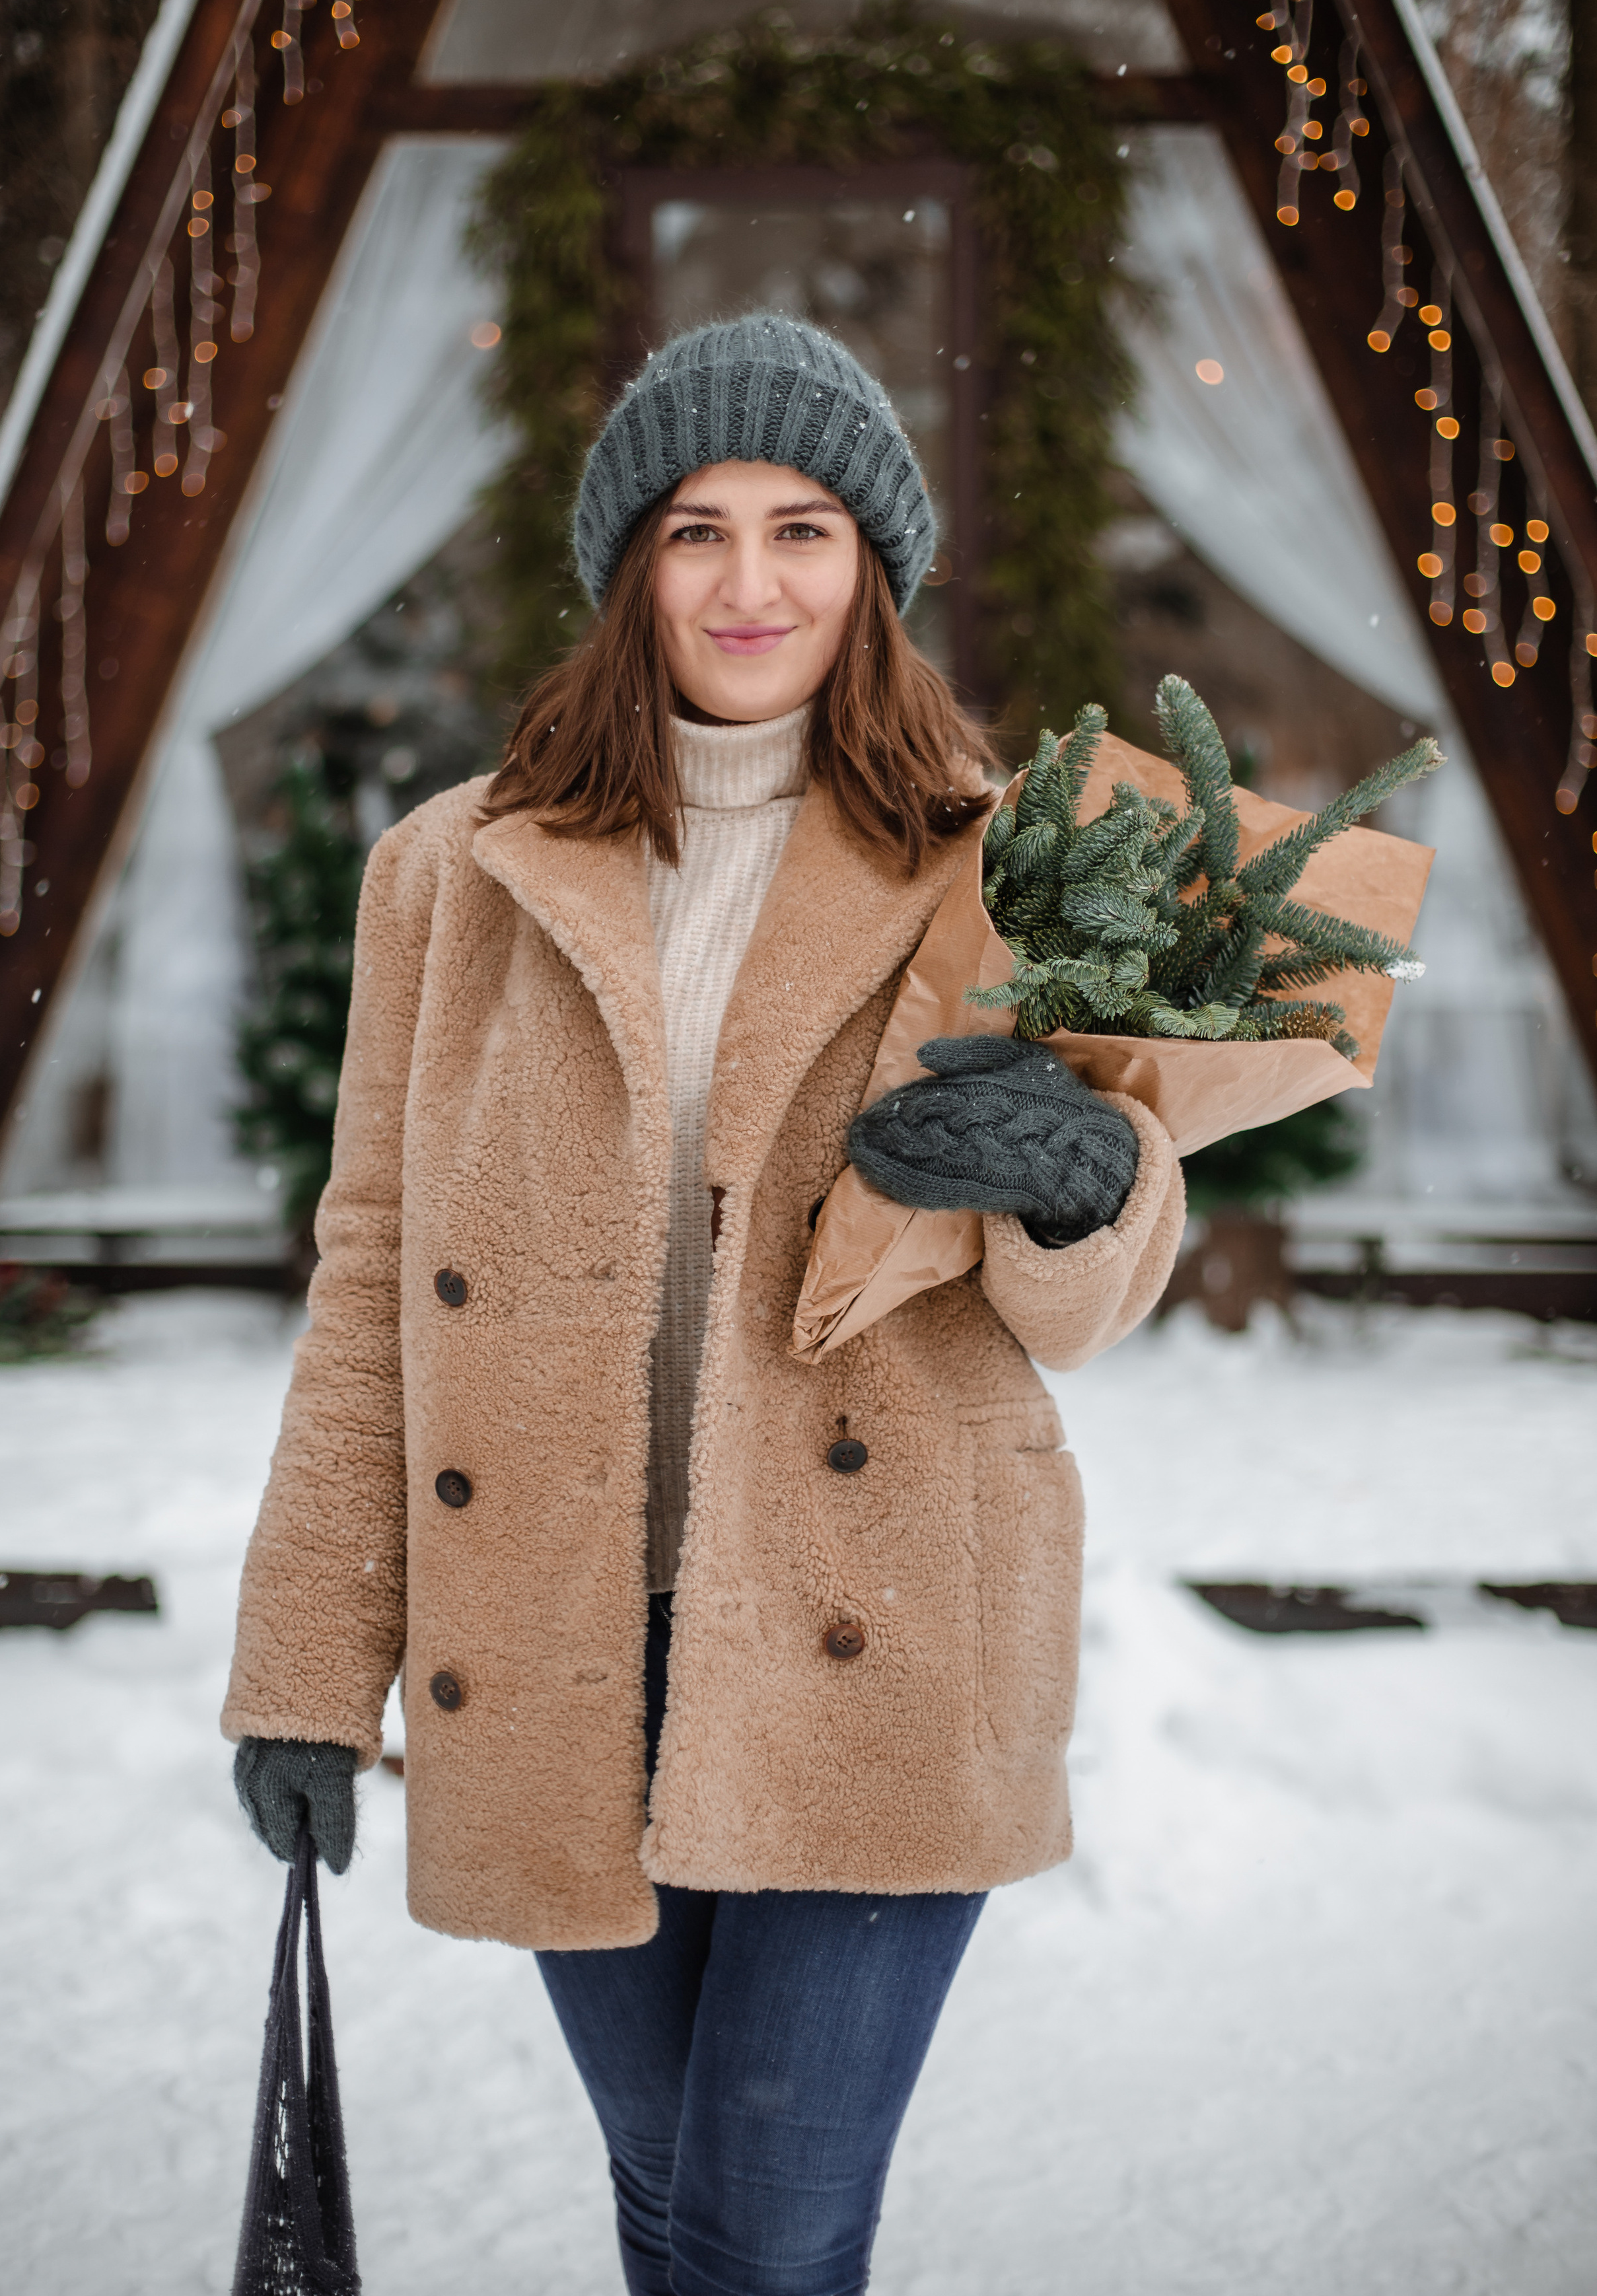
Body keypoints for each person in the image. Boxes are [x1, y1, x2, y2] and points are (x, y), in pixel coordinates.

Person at [224, 314, 1184, 2296]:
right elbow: (378, 1277)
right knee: (671, 2198)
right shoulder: (453, 875)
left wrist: (1091, 1185)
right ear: (630, 568)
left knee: (765, 2232)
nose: (752, 584)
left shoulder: (1008, 868)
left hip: (881, 1624)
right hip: (557, 1629)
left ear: (875, 570)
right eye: (699, 530)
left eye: (804, 529)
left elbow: (1082, 1310)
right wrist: (306, 1668)